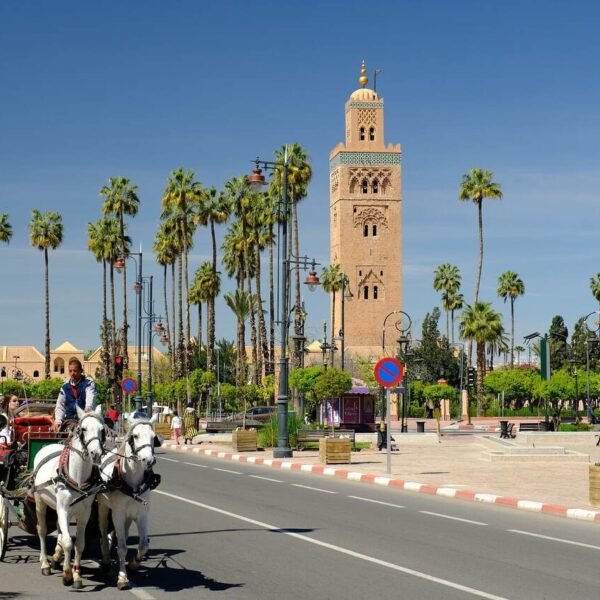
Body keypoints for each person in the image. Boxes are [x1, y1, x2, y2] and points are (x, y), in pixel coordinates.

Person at [53, 358, 96, 431]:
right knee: (72, 429)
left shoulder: (88, 384)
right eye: (70, 371)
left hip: (86, 419)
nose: (72, 373)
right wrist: (58, 421)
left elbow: (90, 401)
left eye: (75, 371)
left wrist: (87, 411)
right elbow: (60, 406)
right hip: (70, 421)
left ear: (81, 371)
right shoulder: (65, 387)